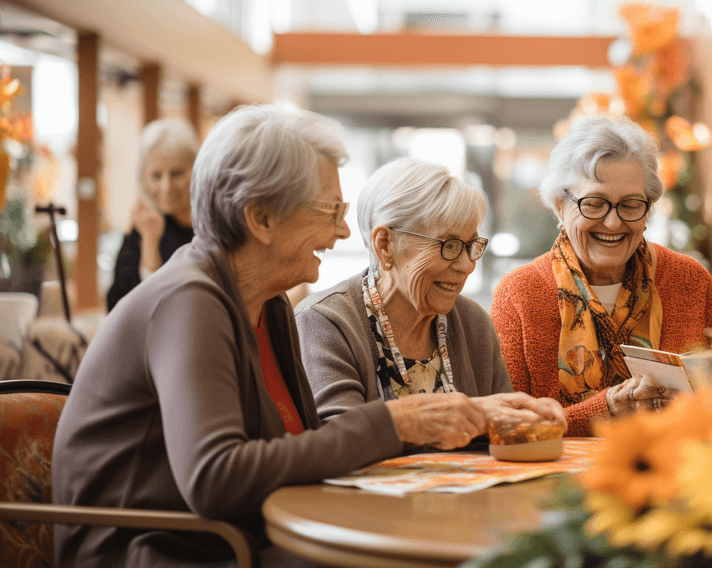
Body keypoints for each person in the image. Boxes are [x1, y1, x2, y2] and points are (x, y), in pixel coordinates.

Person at [51, 106, 497, 568]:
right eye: (330, 210)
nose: (344, 230)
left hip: (231, 537)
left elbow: (300, 446)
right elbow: (215, 479)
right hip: (151, 550)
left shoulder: (269, 304)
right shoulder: (189, 302)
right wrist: (396, 423)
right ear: (260, 218)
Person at [491, 115, 712, 437]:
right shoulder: (521, 292)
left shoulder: (690, 280)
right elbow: (507, 425)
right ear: (561, 206)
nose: (613, 223)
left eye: (631, 205)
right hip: (555, 483)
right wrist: (608, 409)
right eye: (595, 203)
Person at [295, 157, 565, 434]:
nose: (467, 265)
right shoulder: (325, 323)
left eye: (471, 245)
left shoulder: (473, 323)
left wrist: (529, 420)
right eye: (449, 245)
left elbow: (502, 432)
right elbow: (338, 440)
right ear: (385, 244)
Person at [106, 118, 199, 310]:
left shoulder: (213, 225)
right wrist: (150, 240)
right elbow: (119, 305)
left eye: (176, 174)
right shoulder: (142, 226)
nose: (166, 187)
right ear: (144, 178)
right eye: (157, 176)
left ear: (197, 169)